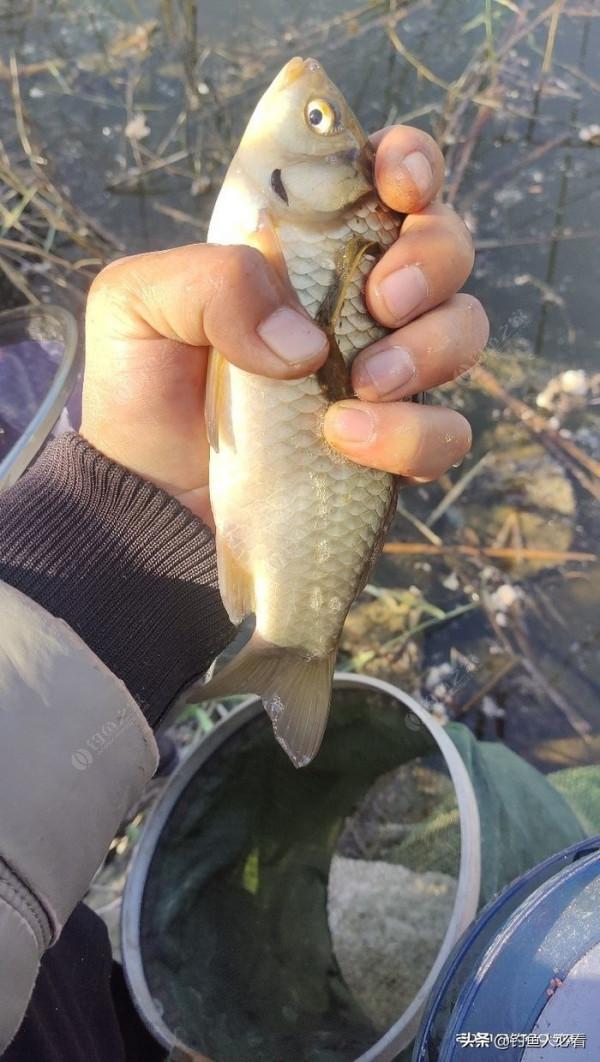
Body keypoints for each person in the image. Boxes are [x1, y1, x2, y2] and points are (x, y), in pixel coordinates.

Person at [0, 125, 488, 1061]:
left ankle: (288, 643)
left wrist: (127, 512)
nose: (321, 119)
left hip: (64, 985)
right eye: (322, 128)